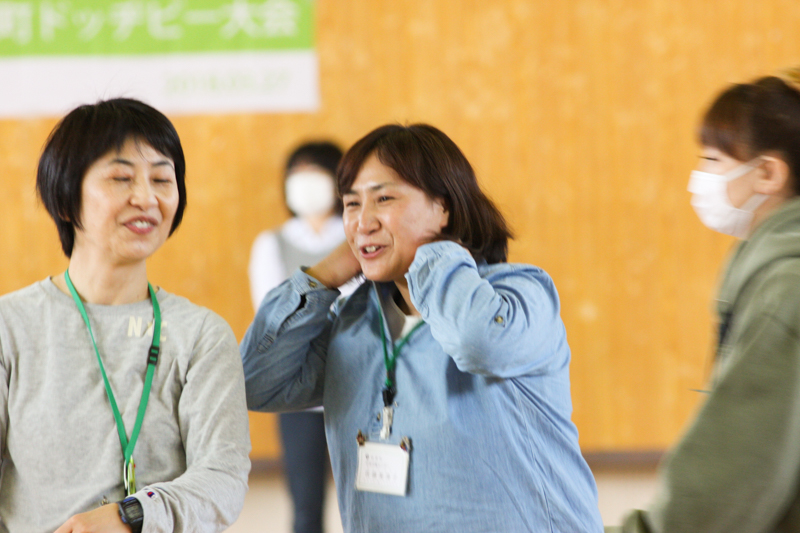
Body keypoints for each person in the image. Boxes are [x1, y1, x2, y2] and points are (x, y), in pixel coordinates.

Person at [241, 123, 603, 532]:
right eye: (351, 204)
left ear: (443, 207)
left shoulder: (520, 293)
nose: (363, 221)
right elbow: (257, 383)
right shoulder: (355, 320)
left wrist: (435, 254)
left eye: (384, 198)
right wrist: (322, 277)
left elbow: (479, 341)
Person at [0, 98, 251, 533]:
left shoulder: (200, 334)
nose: (147, 198)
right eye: (121, 178)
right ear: (66, 197)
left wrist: (132, 515)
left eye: (162, 179)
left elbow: (223, 478)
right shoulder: (11, 325)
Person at [610, 72, 800, 532]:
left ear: (769, 173)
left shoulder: (785, 289)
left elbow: (737, 470)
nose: (700, 178)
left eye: (714, 159)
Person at [248, 141, 353, 533]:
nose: (306, 184)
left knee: (367, 501)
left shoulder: (359, 234)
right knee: (305, 505)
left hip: (356, 385)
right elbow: (274, 319)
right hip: (297, 395)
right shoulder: (271, 243)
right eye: (298, 175)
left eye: (316, 173)